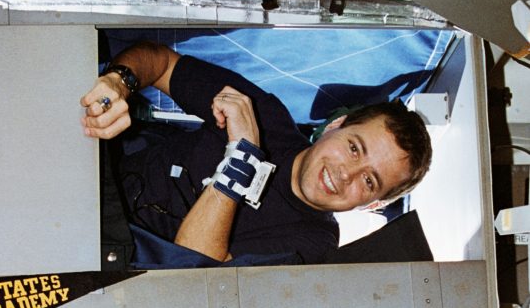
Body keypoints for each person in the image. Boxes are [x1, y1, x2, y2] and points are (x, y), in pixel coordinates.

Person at [80, 41, 432, 265]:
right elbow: (162, 63)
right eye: (354, 148)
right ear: (336, 125)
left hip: (104, 255)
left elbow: (193, 265)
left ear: (371, 206)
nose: (347, 174)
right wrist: (119, 82)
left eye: (369, 181)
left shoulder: (313, 245)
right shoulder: (269, 116)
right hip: (90, 169)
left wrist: (242, 160)